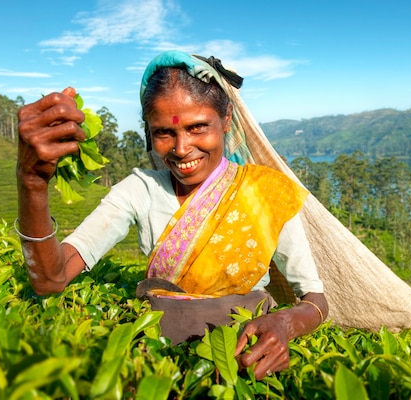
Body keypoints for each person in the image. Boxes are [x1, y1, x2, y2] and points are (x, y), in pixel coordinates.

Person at [16, 50, 328, 380]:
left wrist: (285, 323)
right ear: (149, 131)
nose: (181, 149)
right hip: (158, 368)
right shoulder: (140, 190)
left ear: (226, 120)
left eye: (198, 128)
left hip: (247, 370)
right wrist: (32, 183)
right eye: (164, 132)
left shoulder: (267, 193)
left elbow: (316, 301)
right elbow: (51, 279)